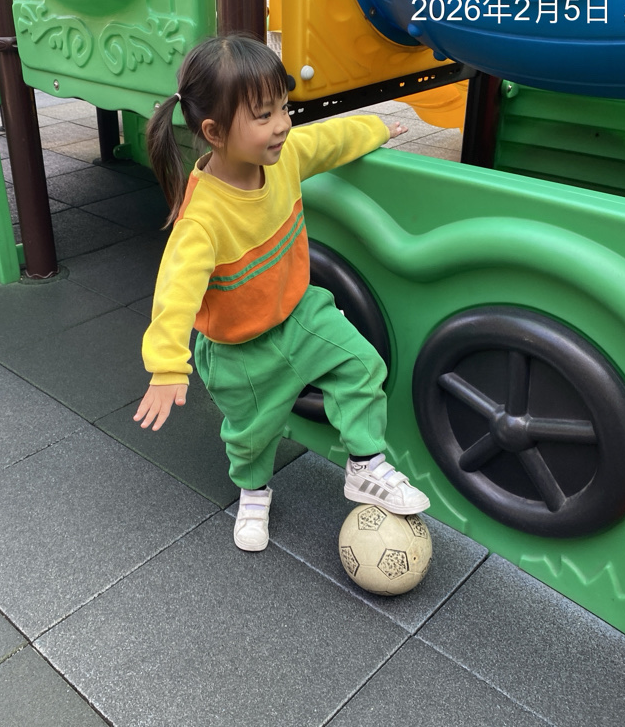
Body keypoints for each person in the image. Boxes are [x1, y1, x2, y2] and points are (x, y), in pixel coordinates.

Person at [133, 34, 430, 552]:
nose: (283, 125)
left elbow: (328, 140)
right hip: (239, 351)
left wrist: (377, 127)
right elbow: (175, 293)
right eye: (264, 115)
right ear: (214, 132)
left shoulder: (283, 158)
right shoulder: (202, 220)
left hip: (299, 314)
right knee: (252, 436)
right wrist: (166, 366)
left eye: (284, 108)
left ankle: (365, 465)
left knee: (362, 366)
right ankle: (253, 492)